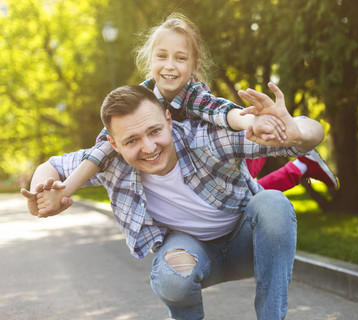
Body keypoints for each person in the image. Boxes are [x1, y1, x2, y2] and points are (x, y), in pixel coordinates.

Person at [21, 83, 325, 319]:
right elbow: (53, 166)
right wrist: (40, 193)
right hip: (192, 256)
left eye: (154, 131)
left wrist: (297, 130)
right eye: (132, 141)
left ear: (168, 119)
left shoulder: (204, 140)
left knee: (273, 203)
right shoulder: (111, 162)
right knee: (173, 278)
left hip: (248, 245)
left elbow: (312, 132)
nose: (149, 147)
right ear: (112, 144)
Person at [48, 13, 336, 206]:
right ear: (150, 60)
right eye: (162, 56)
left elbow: (220, 111)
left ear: (194, 65)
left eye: (180, 58)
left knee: (249, 185)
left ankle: (299, 160)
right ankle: (300, 165)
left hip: (214, 144)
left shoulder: (194, 92)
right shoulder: (139, 99)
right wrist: (67, 189)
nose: (170, 65)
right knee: (250, 181)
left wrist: (249, 119)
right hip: (199, 161)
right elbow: (102, 147)